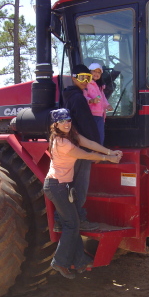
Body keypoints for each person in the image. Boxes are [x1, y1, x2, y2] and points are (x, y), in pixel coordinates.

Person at [43, 108, 123, 279]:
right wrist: (108, 158)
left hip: (61, 186)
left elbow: (90, 144)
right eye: (62, 121)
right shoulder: (62, 143)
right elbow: (85, 154)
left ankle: (79, 261)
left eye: (68, 120)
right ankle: (59, 261)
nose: (66, 124)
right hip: (56, 186)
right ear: (55, 124)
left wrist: (109, 152)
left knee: (73, 223)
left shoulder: (70, 135)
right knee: (72, 224)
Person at [60, 64, 101, 232]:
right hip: (81, 149)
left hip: (71, 147)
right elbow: (87, 124)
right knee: (80, 186)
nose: (86, 81)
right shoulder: (78, 98)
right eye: (82, 77)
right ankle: (78, 220)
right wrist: (96, 147)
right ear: (74, 78)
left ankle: (63, 219)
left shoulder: (69, 96)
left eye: (88, 78)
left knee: (70, 185)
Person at [83, 63, 114, 144]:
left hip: (100, 115)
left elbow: (102, 98)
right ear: (89, 72)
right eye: (94, 71)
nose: (96, 74)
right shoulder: (86, 84)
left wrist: (107, 105)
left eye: (99, 72)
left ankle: (99, 152)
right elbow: (83, 97)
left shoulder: (99, 86)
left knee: (100, 137)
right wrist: (91, 100)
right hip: (90, 115)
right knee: (92, 137)